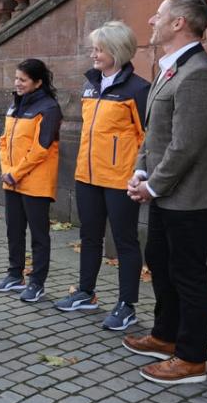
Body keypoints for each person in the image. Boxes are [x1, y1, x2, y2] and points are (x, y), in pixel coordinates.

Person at [124, 0, 207, 385]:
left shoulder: (200, 73)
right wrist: (139, 172)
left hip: (193, 196)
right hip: (168, 191)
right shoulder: (170, 67)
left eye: (158, 14)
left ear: (178, 23)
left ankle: (191, 359)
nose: (151, 21)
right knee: (162, 264)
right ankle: (166, 336)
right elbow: (154, 133)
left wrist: (152, 187)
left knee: (187, 274)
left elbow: (185, 145)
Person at [54, 21, 150, 329]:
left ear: (116, 51)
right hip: (87, 176)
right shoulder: (91, 85)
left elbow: (148, 137)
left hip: (120, 179)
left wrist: (141, 173)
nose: (93, 54)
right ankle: (86, 292)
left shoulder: (138, 89)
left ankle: (127, 304)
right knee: (89, 236)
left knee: (125, 241)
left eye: (99, 49)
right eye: (94, 48)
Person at [0, 59, 62, 304]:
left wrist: (16, 172)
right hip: (12, 179)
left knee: (39, 235)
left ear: (38, 82)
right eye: (16, 79)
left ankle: (37, 283)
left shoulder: (49, 108)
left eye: (23, 80)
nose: (17, 84)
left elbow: (41, 148)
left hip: (36, 182)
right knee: (14, 230)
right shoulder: (16, 105)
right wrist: (7, 170)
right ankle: (14, 275)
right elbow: (3, 141)